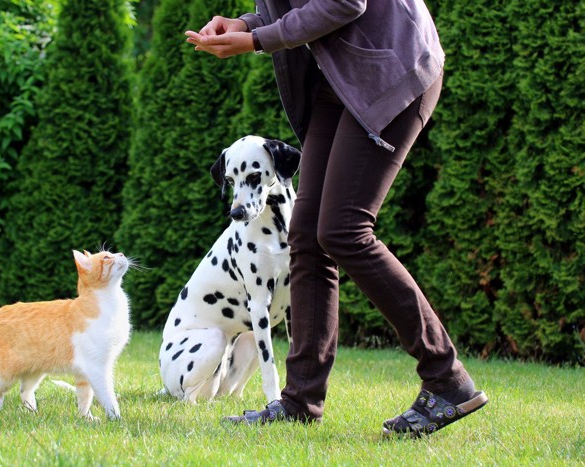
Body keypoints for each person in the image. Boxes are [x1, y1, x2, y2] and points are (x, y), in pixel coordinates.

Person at [185, 0, 488, 437]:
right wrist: (247, 24)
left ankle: (447, 378)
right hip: (338, 82)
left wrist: (256, 39)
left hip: (391, 69)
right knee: (306, 236)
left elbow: (345, 3)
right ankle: (300, 401)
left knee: (345, 230)